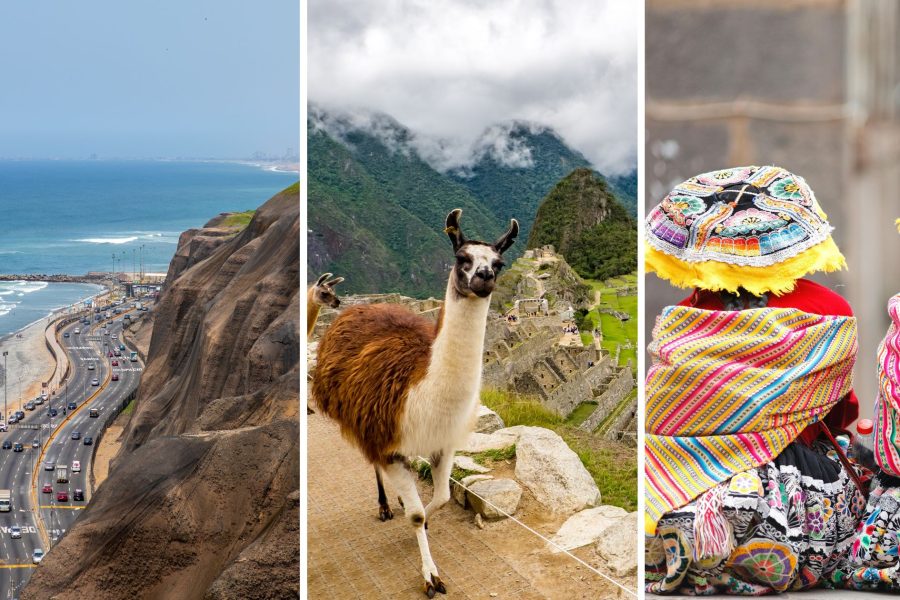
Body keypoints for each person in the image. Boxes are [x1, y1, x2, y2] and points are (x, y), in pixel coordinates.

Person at [644, 166, 869, 594]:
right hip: (791, 476)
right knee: (854, 466)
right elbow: (841, 412)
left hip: (685, 471)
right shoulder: (830, 310)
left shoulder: (683, 316)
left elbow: (663, 412)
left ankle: (693, 536)